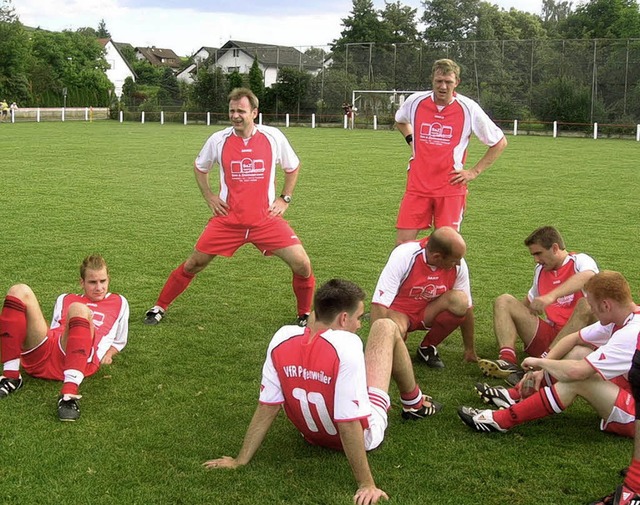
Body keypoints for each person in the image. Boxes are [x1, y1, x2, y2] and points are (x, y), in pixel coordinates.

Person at [203, 279, 441, 505]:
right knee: (385, 326)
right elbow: (349, 423)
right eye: (359, 318)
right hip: (361, 436)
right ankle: (414, 403)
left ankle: (413, 400)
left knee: (347, 376)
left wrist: (240, 460)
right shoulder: (347, 346)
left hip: (310, 435)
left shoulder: (281, 337)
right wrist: (366, 484)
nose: (360, 325)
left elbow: (268, 405)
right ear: (344, 318)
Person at [144, 88, 315, 327]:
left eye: (241, 111)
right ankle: (159, 306)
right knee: (194, 263)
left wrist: (284, 198)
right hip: (228, 221)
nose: (235, 115)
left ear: (254, 113)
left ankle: (305, 314)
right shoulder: (218, 139)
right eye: (232, 110)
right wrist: (210, 196)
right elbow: (200, 167)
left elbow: (293, 167)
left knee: (302, 264)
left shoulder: (273, 137)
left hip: (265, 220)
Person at [458, 271, 638, 441]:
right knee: (578, 353)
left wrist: (540, 363)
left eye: (592, 305)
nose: (591, 309)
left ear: (606, 305)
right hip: (629, 388)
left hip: (635, 417)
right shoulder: (625, 316)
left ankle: (501, 420)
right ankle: (514, 395)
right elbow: (573, 338)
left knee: (578, 379)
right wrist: (543, 369)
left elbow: (577, 372)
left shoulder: (630, 333)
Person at [0, 255, 129, 421]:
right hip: (49, 350)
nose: (99, 287)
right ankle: (11, 377)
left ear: (108, 279)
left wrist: (109, 353)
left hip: (80, 359)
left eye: (103, 281)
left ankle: (69, 394)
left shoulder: (119, 302)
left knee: (79, 309)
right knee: (19, 290)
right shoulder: (64, 298)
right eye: (92, 282)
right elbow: (54, 328)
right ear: (82, 282)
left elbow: (120, 339)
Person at [394, 58, 507, 244]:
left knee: (446, 247)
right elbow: (400, 120)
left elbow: (499, 142)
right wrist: (412, 141)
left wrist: (473, 172)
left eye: (448, 82)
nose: (443, 86)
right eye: (439, 81)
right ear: (433, 80)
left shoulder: (469, 108)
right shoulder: (415, 101)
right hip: (417, 185)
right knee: (402, 247)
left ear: (457, 83)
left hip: (450, 187)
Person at [477, 226, 599, 384]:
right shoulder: (540, 270)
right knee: (504, 300)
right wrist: (507, 326)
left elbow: (589, 276)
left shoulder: (580, 260)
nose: (536, 259)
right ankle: (508, 361)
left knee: (587, 304)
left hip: (576, 342)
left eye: (538, 253)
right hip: (551, 336)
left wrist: (551, 296)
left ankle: (546, 362)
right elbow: (528, 304)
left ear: (555, 248)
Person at [370, 226, 476, 368]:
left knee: (460, 300)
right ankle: (395, 345)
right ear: (437, 256)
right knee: (393, 329)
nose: (458, 263)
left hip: (428, 311)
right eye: (453, 260)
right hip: (399, 312)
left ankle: (427, 347)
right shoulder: (403, 255)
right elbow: (379, 303)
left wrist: (470, 350)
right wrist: (376, 349)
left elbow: (467, 307)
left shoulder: (459, 264)